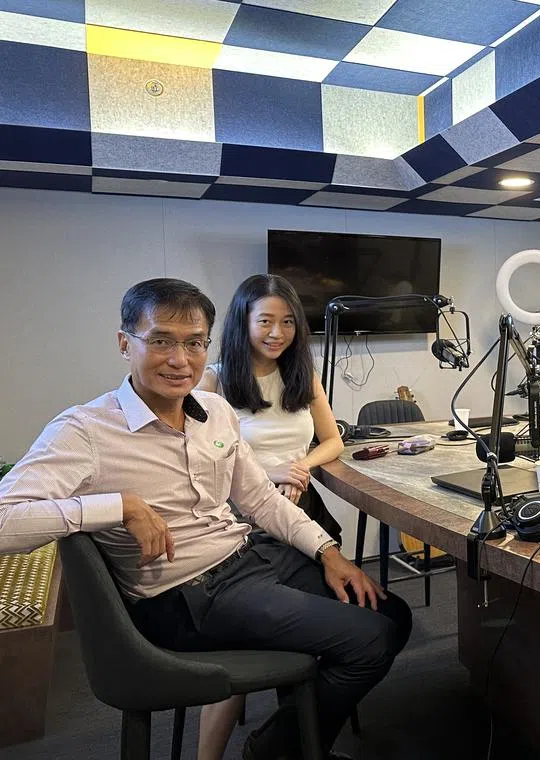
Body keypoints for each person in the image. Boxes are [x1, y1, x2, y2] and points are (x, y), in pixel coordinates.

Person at [0, 278, 411, 760]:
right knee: (370, 639)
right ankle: (277, 752)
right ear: (123, 343)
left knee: (391, 613)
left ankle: (288, 740)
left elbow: (260, 500)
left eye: (194, 343)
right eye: (160, 341)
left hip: (247, 560)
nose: (181, 360)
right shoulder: (84, 430)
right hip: (188, 596)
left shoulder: (214, 410)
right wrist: (119, 506)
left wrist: (328, 552)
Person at [194, 274, 345, 760]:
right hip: (241, 523)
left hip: (302, 514)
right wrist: (267, 471)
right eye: (266, 321)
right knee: (246, 636)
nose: (277, 333)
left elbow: (333, 440)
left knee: (342, 618)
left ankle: (291, 735)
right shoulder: (214, 379)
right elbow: (197, 460)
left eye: (287, 322)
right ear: (244, 322)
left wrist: (301, 465)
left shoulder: (303, 377)